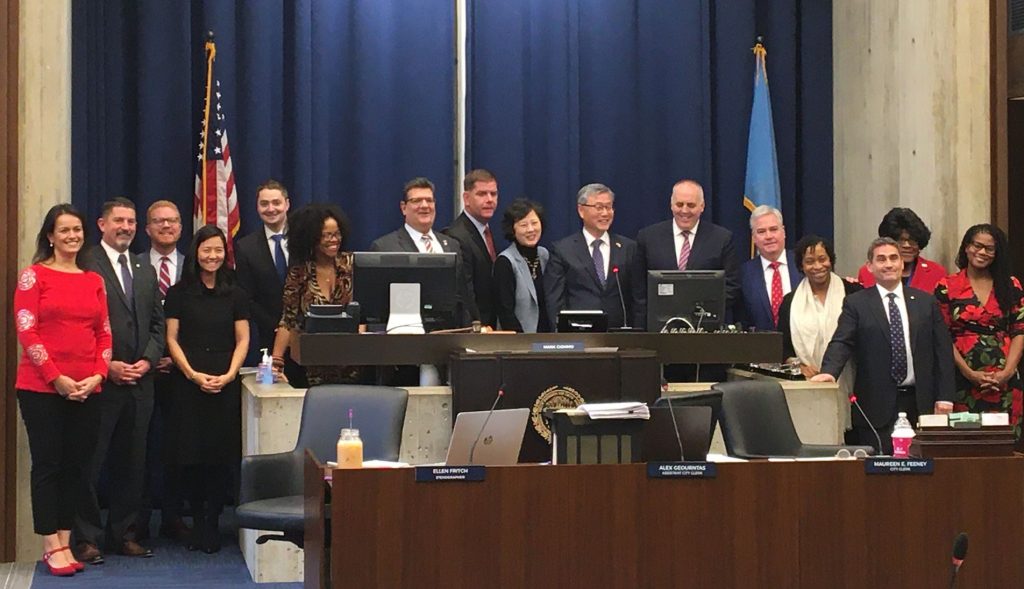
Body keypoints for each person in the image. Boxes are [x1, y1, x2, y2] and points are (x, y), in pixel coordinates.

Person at [14, 204, 111, 576]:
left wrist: (98, 375)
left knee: (78, 467)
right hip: (41, 388)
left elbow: (104, 332)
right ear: (50, 236)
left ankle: (66, 540)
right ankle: (49, 543)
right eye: (64, 230)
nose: (72, 236)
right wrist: (56, 377)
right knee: (49, 465)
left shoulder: (93, 280)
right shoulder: (33, 277)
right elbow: (27, 331)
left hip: (88, 388)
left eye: (77, 230)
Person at [76, 197, 164, 563]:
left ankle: (124, 533)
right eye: (118, 221)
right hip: (101, 383)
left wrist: (147, 360)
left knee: (133, 463)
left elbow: (158, 325)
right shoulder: (85, 264)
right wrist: (106, 364)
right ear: (101, 224)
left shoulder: (145, 268)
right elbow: (79, 325)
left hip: (141, 384)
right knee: (91, 463)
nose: (125, 227)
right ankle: (87, 539)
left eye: (130, 222)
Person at [812, 237, 955, 454]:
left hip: (921, 403)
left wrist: (945, 397)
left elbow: (943, 352)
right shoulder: (857, 303)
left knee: (923, 473)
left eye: (893, 258)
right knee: (879, 475)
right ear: (869, 266)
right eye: (881, 259)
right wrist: (829, 372)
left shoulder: (926, 302)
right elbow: (842, 341)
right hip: (875, 407)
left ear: (901, 263)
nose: (888, 264)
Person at [164, 225, 250, 553]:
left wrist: (230, 375)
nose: (212, 256)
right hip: (188, 383)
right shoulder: (179, 292)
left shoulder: (236, 292)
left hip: (225, 382)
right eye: (205, 250)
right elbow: (172, 338)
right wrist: (191, 374)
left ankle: (213, 523)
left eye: (217, 250)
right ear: (195, 253)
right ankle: (197, 522)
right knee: (191, 457)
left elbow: (243, 338)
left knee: (219, 457)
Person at [934, 224, 1024, 437]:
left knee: (1005, 442)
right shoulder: (947, 285)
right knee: (966, 442)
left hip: (1004, 382)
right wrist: (969, 373)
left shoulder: (1010, 285)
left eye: (989, 248)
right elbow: (942, 335)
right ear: (966, 247)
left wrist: (1007, 373)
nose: (982, 252)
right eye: (977, 245)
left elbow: (1019, 330)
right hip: (961, 379)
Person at [135, 200, 189, 542]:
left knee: (178, 448)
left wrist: (179, 359)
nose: (166, 227)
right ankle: (136, 522)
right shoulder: (134, 266)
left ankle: (173, 516)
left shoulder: (196, 265)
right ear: (147, 228)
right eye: (158, 221)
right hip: (142, 371)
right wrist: (153, 358)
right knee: (138, 449)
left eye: (172, 221)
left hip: (185, 374)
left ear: (181, 227)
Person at [777, 235, 861, 440]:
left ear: (831, 260)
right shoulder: (790, 302)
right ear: (801, 266)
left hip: (851, 385)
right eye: (810, 261)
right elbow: (782, 346)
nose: (818, 266)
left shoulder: (854, 292)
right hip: (807, 386)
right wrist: (798, 365)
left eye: (822, 259)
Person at [271, 204, 362, 385]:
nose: (334, 240)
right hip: (311, 367)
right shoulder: (300, 272)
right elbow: (288, 320)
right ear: (311, 237)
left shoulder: (352, 265)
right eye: (327, 235)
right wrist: (276, 362)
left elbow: (365, 314)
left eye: (337, 234)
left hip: (352, 362)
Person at [370, 176, 476, 326]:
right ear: (403, 208)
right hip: (407, 338)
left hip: (449, 336)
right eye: (416, 201)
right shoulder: (385, 247)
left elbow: (463, 298)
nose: (425, 205)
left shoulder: (452, 245)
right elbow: (378, 305)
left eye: (429, 200)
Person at [636, 179, 740, 325]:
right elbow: (639, 290)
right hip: (659, 329)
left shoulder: (722, 239)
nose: (684, 210)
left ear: (702, 206)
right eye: (679, 204)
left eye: (691, 205)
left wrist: (696, 312)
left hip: (705, 330)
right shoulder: (648, 238)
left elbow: (730, 286)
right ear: (671, 205)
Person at [544, 183, 644, 330]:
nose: (605, 213)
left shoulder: (629, 248)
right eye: (599, 207)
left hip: (619, 335)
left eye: (609, 207)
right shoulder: (563, 250)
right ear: (581, 210)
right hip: (579, 335)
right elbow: (554, 301)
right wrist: (562, 336)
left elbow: (639, 299)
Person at [234, 180, 298, 381]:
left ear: (287, 204)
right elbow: (246, 296)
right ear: (257, 207)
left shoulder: (304, 239)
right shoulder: (245, 247)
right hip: (267, 338)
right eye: (264, 204)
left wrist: (294, 327)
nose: (271, 209)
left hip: (304, 336)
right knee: (272, 397)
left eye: (276, 202)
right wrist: (277, 327)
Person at [443, 169, 500, 327]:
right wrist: (477, 326)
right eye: (482, 194)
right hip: (475, 329)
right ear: (466, 198)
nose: (489, 200)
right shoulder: (456, 236)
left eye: (493, 194)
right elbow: (465, 292)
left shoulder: (488, 232)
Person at [739, 205, 801, 332]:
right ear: (754, 238)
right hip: (760, 348)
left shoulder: (803, 264)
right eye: (761, 232)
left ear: (783, 232)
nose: (768, 236)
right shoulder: (744, 274)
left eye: (773, 229)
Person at [493, 198, 550, 333]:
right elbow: (505, 311)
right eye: (523, 225)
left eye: (534, 223)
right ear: (512, 229)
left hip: (547, 340)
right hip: (518, 342)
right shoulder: (505, 261)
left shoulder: (545, 255)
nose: (531, 229)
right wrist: (522, 342)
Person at [857, 207, 946, 292]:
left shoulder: (936, 272)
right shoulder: (868, 273)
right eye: (900, 240)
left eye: (912, 240)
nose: (907, 245)